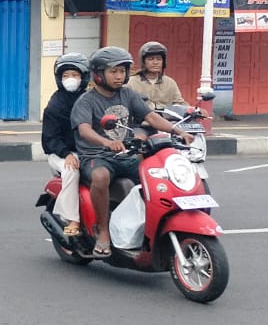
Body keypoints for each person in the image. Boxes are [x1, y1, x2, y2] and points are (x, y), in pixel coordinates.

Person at [73, 47, 195, 256]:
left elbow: (151, 117)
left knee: (156, 175)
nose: (119, 76)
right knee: (100, 177)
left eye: (122, 71)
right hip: (96, 156)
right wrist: (106, 142)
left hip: (126, 155)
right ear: (99, 74)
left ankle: (152, 224)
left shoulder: (128, 94)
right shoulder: (86, 101)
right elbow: (84, 130)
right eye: (113, 72)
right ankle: (103, 232)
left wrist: (177, 130)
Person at [41, 53, 90, 236]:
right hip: (61, 153)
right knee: (72, 170)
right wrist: (66, 154)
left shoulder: (90, 99)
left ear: (83, 77)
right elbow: (50, 138)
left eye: (75, 75)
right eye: (66, 75)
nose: (71, 79)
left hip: (88, 151)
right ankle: (73, 219)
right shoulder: (55, 105)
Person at [127, 41, 186, 109]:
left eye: (159, 59)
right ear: (143, 62)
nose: (155, 62)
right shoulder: (131, 83)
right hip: (140, 118)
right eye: (151, 59)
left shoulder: (170, 83)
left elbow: (179, 104)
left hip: (166, 118)